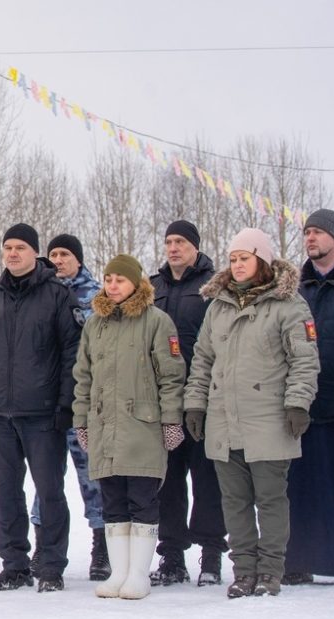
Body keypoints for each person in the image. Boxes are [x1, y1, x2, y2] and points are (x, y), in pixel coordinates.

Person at [184, 227, 319, 598]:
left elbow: (304, 361)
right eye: (232, 259)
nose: (238, 265)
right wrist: (195, 404)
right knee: (235, 501)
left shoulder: (288, 304)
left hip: (269, 420)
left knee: (271, 500)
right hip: (224, 421)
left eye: (245, 258)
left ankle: (270, 572)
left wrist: (297, 402)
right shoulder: (218, 307)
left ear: (262, 259)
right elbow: (202, 362)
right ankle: (244, 571)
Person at [0, 223, 82, 593]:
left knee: (49, 492)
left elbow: (71, 354)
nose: (12, 253)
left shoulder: (57, 295)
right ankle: (14, 565)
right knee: (6, 493)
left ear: (34, 253)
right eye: (7, 247)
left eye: (20, 247)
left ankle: (50, 566)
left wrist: (66, 405)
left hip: (43, 414)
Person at [73, 254, 186, 600]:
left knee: (142, 500)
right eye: (108, 279)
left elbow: (171, 377)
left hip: (143, 428)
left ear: (136, 283)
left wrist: (171, 420)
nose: (112, 285)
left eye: (119, 280)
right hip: (105, 427)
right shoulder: (95, 324)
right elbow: (83, 377)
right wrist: (82, 421)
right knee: (112, 503)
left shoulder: (157, 321)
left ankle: (139, 574)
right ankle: (118, 573)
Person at [149, 219, 227, 587]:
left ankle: (211, 555)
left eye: (181, 241)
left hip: (205, 401)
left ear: (196, 246)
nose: (174, 247)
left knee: (207, 480)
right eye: (169, 241)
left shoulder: (214, 286)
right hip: (163, 402)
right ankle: (172, 557)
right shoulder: (152, 287)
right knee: (169, 483)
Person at [29, 233, 109, 582]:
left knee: (93, 477)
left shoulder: (97, 296)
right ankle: (42, 546)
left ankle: (102, 549)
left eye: (65, 254)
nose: (58, 260)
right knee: (46, 480)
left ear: (77, 258)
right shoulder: (40, 293)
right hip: (45, 403)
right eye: (54, 254)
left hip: (83, 405)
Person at [284, 208, 334, 584]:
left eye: (317, 232)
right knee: (298, 489)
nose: (310, 239)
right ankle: (298, 561)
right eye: (306, 233)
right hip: (300, 406)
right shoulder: (295, 289)